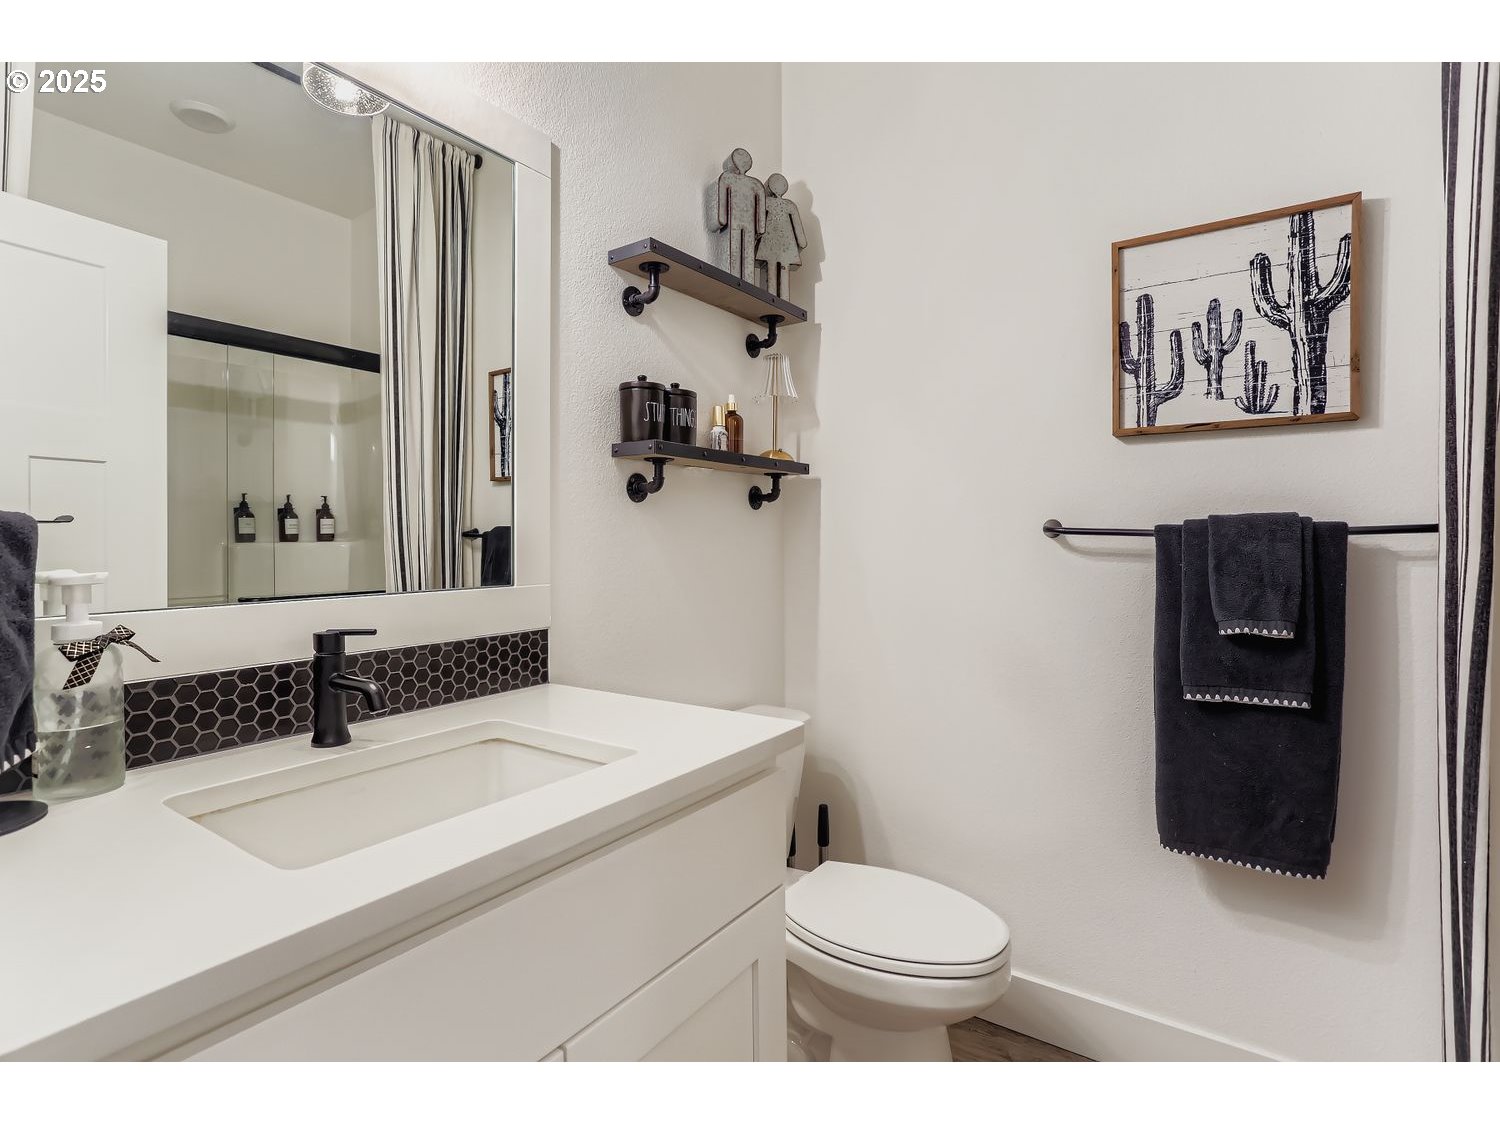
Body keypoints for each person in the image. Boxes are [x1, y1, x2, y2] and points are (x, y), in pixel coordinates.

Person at [714, 148, 765, 283]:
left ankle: (739, 281)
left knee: (739, 249)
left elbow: (722, 202)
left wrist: (722, 219)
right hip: (743, 223)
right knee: (741, 249)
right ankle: (743, 281)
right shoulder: (756, 183)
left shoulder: (728, 178)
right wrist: (760, 228)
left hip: (737, 221)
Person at [756, 173, 807, 299]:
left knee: (771, 266)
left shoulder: (766, 202)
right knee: (783, 268)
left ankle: (772, 297)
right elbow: (800, 235)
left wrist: (755, 236)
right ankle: (784, 299)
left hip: (770, 241)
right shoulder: (790, 205)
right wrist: (802, 242)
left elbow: (759, 223)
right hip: (786, 244)